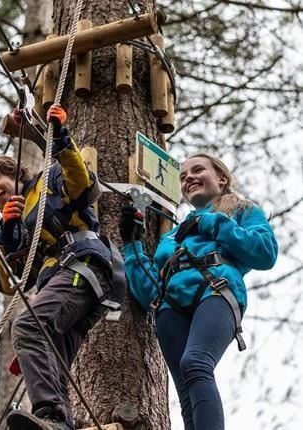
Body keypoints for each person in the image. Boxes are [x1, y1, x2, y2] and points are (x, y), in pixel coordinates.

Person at [0, 105, 125, 430]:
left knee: (27, 326)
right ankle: (61, 424)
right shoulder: (12, 227)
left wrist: (61, 137)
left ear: (12, 173)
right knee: (52, 355)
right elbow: (7, 283)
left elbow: (82, 183)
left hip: (83, 265)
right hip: (68, 284)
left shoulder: (47, 181)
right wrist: (6, 235)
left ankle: (51, 415)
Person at [119, 154, 278, 430]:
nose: (188, 177)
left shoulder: (239, 211)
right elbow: (149, 293)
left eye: (197, 170)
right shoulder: (171, 236)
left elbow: (265, 252)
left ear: (221, 179)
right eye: (182, 176)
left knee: (195, 363)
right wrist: (132, 246)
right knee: (185, 390)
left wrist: (209, 222)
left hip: (215, 292)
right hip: (170, 308)